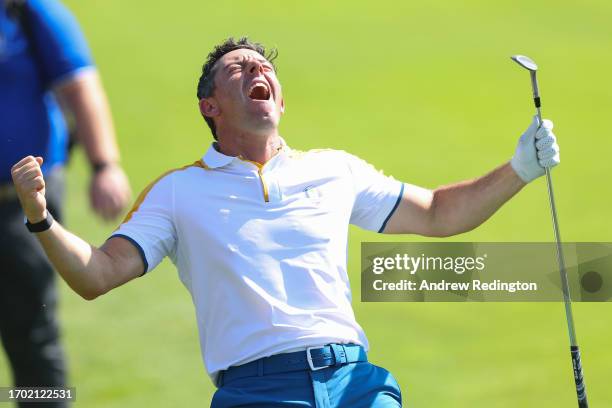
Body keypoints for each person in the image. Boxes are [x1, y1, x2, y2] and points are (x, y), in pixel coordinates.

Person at [10, 37, 559, 407]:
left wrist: (520, 168)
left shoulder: (335, 170)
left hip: (356, 382)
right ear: (210, 106)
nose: (258, 71)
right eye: (239, 68)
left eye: (265, 67)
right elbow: (98, 275)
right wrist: (40, 218)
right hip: (256, 390)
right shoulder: (179, 191)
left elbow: (440, 214)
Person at [0, 0, 130, 405]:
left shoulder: (29, 10)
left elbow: (80, 85)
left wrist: (104, 164)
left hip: (19, 203)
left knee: (31, 334)